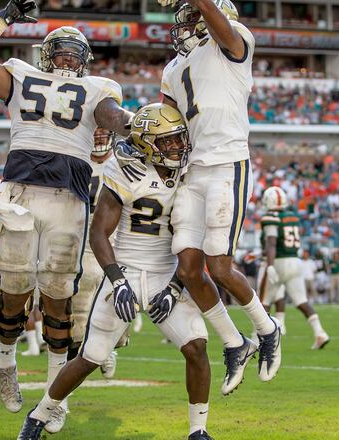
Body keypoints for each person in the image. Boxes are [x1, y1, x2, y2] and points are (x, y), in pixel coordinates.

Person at [0, 0, 133, 427]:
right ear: (46, 54)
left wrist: (132, 124)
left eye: (75, 52)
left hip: (68, 198)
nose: (68, 58)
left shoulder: (99, 86)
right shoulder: (21, 74)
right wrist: (4, 19)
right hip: (20, 191)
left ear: (86, 60)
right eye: (61, 51)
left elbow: (111, 116)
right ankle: (6, 362)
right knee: (16, 283)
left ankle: (55, 397)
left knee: (59, 293)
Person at [18, 103, 213, 440]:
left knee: (196, 346)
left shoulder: (190, 174)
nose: (178, 147)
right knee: (91, 355)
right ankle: (38, 416)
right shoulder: (125, 171)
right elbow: (98, 233)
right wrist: (118, 281)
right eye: (167, 141)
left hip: (165, 274)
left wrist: (176, 286)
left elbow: (195, 240)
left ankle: (198, 430)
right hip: (125, 269)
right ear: (147, 143)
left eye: (179, 139)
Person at [161, 0, 280, 393]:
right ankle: (234, 342)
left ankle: (267, 329)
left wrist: (202, 4)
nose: (186, 23)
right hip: (193, 168)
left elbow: (221, 28)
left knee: (221, 265)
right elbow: (168, 125)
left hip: (228, 161)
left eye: (194, 15)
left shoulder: (233, 39)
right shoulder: (173, 68)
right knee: (188, 267)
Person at [67, 128, 119, 378]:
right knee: (85, 287)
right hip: (85, 231)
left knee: (115, 294)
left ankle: (107, 348)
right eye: (95, 134)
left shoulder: (123, 161)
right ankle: (92, 348)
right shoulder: (77, 161)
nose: (98, 139)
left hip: (117, 233)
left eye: (102, 134)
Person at [258, 187, 329, 350]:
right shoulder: (292, 216)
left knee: (264, 302)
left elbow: (271, 243)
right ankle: (320, 332)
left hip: (278, 261)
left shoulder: (271, 217)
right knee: (301, 301)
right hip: (295, 261)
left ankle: (260, 338)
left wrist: (269, 265)